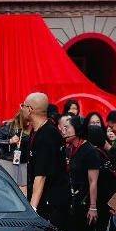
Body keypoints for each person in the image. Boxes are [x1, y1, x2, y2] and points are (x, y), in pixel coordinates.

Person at [23, 92, 68, 222]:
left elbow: (41, 176)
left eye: (23, 106)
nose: (22, 109)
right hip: (44, 199)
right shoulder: (37, 131)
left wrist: (32, 210)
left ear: (30, 109)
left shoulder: (47, 135)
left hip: (51, 204)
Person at [59, 114, 99, 231]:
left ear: (77, 129)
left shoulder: (89, 151)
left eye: (67, 128)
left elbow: (93, 181)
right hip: (73, 200)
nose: (64, 131)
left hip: (85, 201)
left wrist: (93, 207)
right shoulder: (70, 148)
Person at [0, 108, 28, 189]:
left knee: (23, 188)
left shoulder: (32, 128)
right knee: (7, 187)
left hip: (24, 162)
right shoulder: (8, 126)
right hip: (8, 160)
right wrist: (10, 141)